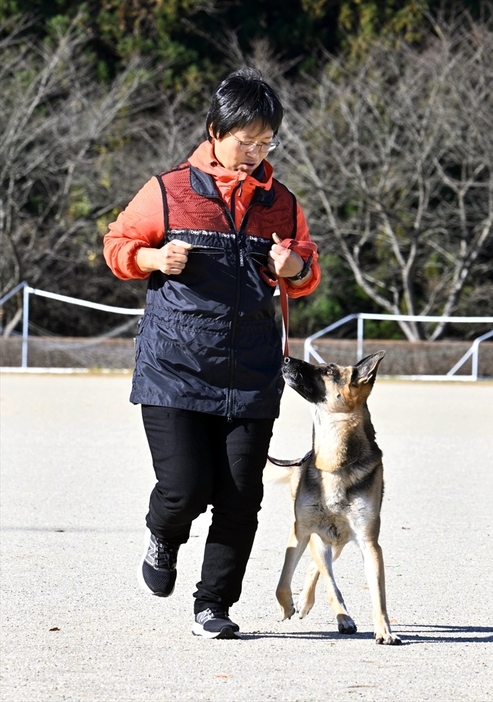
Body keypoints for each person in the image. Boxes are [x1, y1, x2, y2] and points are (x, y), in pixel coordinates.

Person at [103, 67, 321, 639]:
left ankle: (213, 605)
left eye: (265, 141)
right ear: (213, 132)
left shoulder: (282, 203)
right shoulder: (168, 191)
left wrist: (292, 266)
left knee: (240, 498)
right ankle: (162, 532)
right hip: (174, 368)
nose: (253, 152)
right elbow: (117, 244)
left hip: (250, 372)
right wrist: (153, 261)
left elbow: (306, 268)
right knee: (185, 488)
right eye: (243, 140)